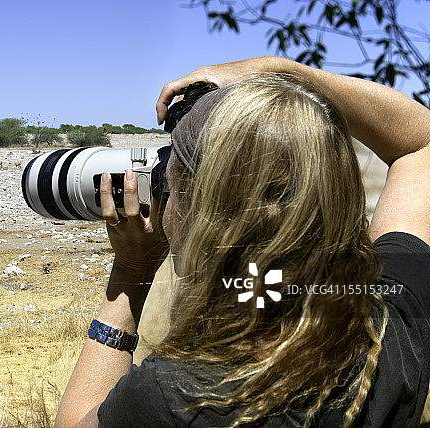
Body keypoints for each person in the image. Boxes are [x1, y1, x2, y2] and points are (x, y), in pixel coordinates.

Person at [55, 56, 430, 427]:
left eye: (171, 185)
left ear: (203, 217)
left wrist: (130, 273)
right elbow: (421, 145)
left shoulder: (180, 396)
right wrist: (280, 71)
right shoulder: (392, 325)